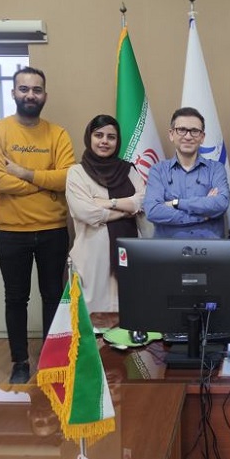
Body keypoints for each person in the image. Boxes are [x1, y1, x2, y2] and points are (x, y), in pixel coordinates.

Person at [0, 66, 75, 384]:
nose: (30, 95)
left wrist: (23, 173)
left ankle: (51, 361)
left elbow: (66, 177)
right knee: (16, 299)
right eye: (24, 89)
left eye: (36, 90)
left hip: (53, 230)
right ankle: (20, 362)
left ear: (45, 95)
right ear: (14, 93)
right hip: (11, 232)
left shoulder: (58, 134)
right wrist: (43, 182)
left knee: (53, 296)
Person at [66, 114, 149, 313]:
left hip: (127, 254)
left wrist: (108, 203)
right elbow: (86, 212)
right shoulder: (77, 172)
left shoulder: (128, 170)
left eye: (111, 137)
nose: (104, 141)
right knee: (93, 317)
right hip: (91, 259)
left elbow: (143, 200)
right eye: (99, 135)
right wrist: (125, 211)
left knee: (128, 313)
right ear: (89, 137)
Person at [144, 107, 230, 238]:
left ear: (202, 137)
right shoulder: (158, 171)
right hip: (168, 248)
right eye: (182, 130)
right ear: (171, 134)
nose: (188, 136)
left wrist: (176, 203)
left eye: (194, 131)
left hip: (209, 248)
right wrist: (201, 214)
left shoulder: (216, 169)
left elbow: (221, 203)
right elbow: (153, 211)